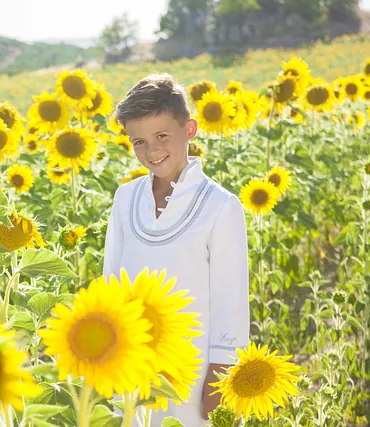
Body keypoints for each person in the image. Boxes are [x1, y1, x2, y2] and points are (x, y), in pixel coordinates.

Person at [102, 73, 250, 426]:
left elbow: (230, 300)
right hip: (131, 360)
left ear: (191, 129)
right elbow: (111, 282)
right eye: (139, 141)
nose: (152, 151)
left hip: (194, 370)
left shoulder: (221, 206)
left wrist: (219, 378)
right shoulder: (125, 199)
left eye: (162, 136)